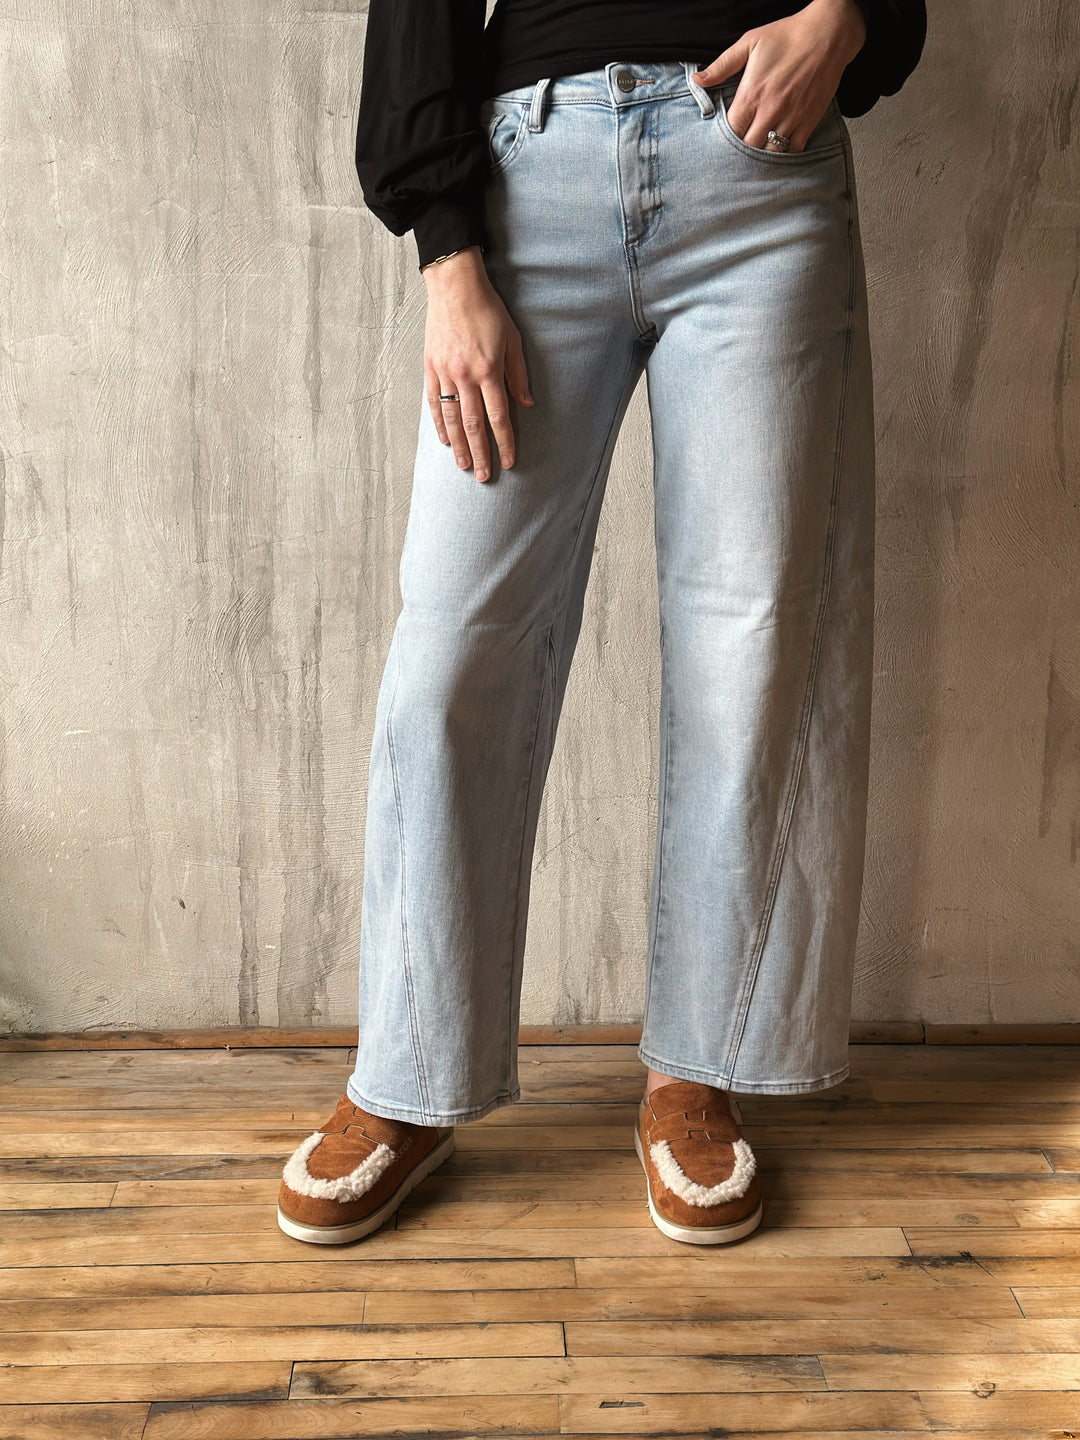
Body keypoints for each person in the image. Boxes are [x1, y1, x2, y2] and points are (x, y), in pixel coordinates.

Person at [278, 0, 927, 1248]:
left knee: (749, 645)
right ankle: (409, 1075)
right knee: (453, 653)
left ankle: (700, 1072)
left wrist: (848, 17)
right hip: (531, 178)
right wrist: (448, 255)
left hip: (762, 178)